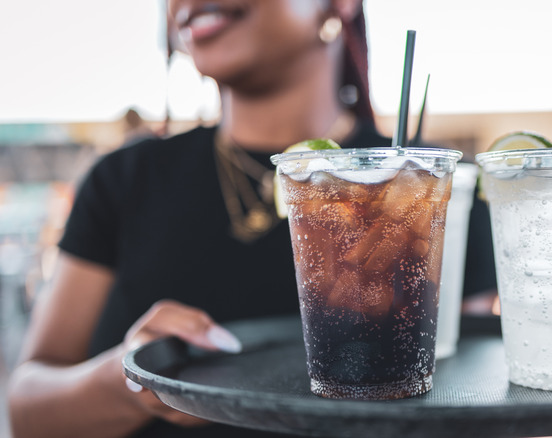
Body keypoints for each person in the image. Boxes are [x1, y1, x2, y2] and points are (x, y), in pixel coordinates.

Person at [8, 1, 496, 437]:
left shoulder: (427, 194)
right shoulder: (124, 179)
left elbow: (470, 401)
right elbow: (28, 408)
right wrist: (134, 379)